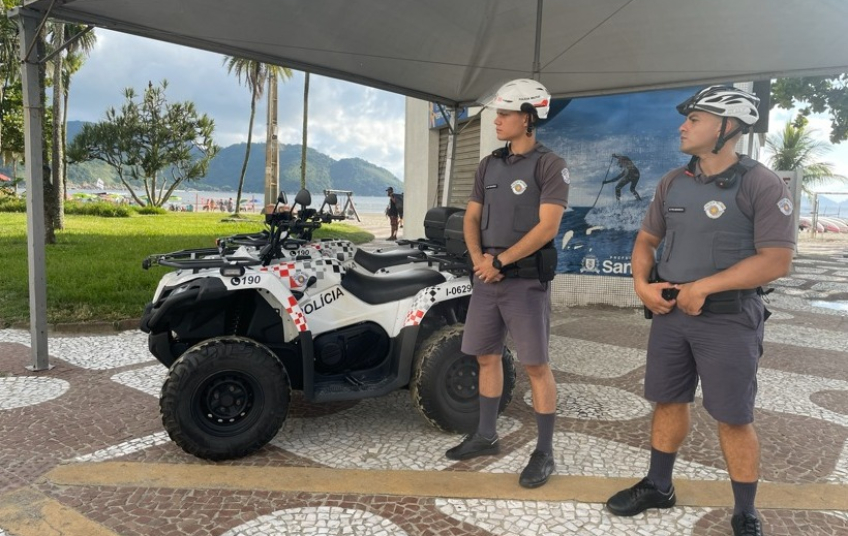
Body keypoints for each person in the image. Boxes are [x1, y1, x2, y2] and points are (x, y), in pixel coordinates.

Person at [605, 86, 795, 536]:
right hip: (671, 318)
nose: (683, 126)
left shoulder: (761, 183)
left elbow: (776, 260)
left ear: (727, 128)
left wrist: (705, 287)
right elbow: (647, 240)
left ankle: (745, 510)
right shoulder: (673, 181)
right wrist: (640, 284)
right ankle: (658, 485)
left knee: (733, 415)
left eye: (695, 119)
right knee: (668, 400)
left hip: (729, 319)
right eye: (687, 118)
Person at [445, 78, 570, 489]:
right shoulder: (488, 164)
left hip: (524, 281)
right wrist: (480, 259)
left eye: (504, 113)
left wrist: (500, 260)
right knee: (485, 356)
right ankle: (485, 434)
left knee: (536, 365)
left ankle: (545, 451)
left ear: (529, 118)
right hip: (487, 278)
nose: (496, 121)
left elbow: (548, 226)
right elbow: (470, 217)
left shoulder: (550, 165)